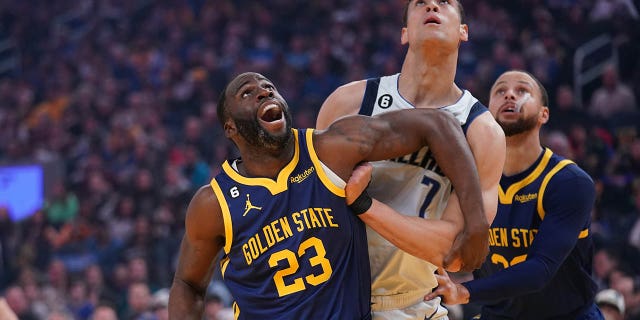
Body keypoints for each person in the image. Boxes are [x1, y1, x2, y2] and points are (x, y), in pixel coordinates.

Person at [168, 72, 486, 319]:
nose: (263, 91)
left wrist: (476, 224)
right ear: (230, 128)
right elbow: (188, 284)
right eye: (247, 93)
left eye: (269, 87)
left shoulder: (328, 150)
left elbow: (438, 123)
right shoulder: (214, 203)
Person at [316, 0, 505, 318]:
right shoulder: (348, 102)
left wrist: (366, 206)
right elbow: (310, 209)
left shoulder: (482, 131)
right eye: (420, 3)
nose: (432, 5)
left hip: (411, 305)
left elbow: (456, 253)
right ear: (404, 33)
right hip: (335, 298)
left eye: (445, 2)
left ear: (463, 31)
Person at [425, 70, 603, 319]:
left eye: (522, 90)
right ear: (486, 112)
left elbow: (540, 269)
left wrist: (464, 290)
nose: (509, 94)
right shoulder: (466, 178)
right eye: (500, 90)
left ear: (544, 114)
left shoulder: (568, 181)